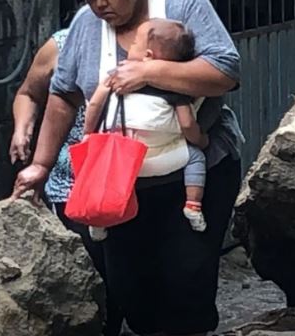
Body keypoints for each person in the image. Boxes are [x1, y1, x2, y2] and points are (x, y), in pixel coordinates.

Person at [11, 0, 243, 336]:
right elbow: (61, 99)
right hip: (118, 183)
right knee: (129, 289)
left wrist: (149, 70)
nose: (100, 3)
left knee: (187, 276)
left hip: (193, 173)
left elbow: (225, 71)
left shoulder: (182, 4)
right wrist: (40, 164)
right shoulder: (83, 26)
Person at [9, 28, 127, 336]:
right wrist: (23, 128)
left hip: (129, 175)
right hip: (73, 178)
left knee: (124, 270)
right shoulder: (61, 45)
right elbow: (29, 93)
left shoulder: (150, 39)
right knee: (92, 266)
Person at [82, 18, 210, 241]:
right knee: (196, 157)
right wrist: (200, 140)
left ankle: (99, 220)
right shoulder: (174, 84)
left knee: (108, 177)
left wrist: (88, 134)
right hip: (160, 158)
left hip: (123, 158)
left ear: (149, 55)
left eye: (134, 43)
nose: (129, 46)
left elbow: (94, 104)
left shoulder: (117, 73)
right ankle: (193, 205)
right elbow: (188, 124)